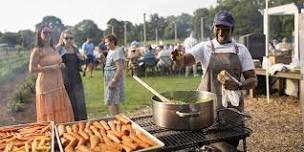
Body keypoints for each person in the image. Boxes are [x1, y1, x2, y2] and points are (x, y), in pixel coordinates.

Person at [172, 10, 257, 148]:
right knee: (206, 146)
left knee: (229, 145)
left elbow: (253, 80)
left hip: (231, 111)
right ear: (213, 28)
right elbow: (184, 61)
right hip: (206, 109)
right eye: (218, 28)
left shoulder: (241, 50)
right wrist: (178, 58)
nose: (221, 33)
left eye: (226, 29)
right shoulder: (204, 47)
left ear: (232, 30)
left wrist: (238, 86)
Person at [29, 25, 74, 123]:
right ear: (39, 34)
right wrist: (50, 68)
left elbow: (56, 61)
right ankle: (51, 134)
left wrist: (60, 64)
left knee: (61, 109)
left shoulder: (53, 48)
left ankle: (61, 132)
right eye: (45, 32)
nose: (48, 34)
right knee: (49, 112)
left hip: (58, 83)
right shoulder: (37, 50)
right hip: (46, 85)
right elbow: (31, 69)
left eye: (49, 32)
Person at [56, 30, 87, 121]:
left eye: (71, 38)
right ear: (62, 39)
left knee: (80, 101)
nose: (69, 40)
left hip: (76, 78)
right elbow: (54, 62)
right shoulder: (59, 49)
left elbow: (82, 62)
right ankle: (71, 122)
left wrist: (82, 58)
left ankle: (82, 121)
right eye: (66, 38)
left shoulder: (75, 49)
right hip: (65, 78)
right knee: (69, 101)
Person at [104, 34, 125, 115]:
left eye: (107, 42)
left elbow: (120, 68)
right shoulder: (111, 51)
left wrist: (114, 81)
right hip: (109, 78)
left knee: (110, 101)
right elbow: (109, 64)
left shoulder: (117, 51)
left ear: (112, 42)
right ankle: (117, 118)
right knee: (114, 100)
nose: (105, 44)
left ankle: (114, 118)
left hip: (114, 78)